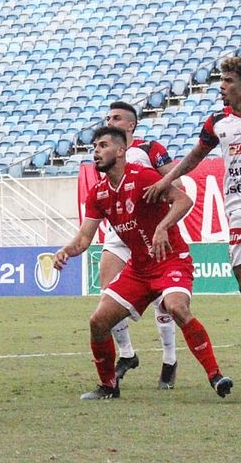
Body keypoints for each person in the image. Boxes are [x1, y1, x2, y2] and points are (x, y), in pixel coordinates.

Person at [54, 126, 232, 400]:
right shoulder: (98, 193)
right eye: (95, 147)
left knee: (176, 307)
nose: (96, 152)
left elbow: (183, 200)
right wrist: (66, 251)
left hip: (171, 260)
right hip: (138, 269)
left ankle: (216, 376)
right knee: (98, 321)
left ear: (121, 150)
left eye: (102, 146)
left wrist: (163, 227)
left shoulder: (142, 177)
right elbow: (83, 240)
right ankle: (109, 387)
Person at [94, 101, 178, 388]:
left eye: (116, 117)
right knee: (107, 292)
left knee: (161, 300)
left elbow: (175, 176)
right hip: (120, 231)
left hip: (151, 231)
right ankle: (127, 354)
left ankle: (169, 360)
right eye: (108, 117)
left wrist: (160, 202)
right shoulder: (104, 152)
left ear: (130, 125)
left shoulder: (149, 149)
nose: (110, 120)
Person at [146, 57, 241, 295]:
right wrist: (166, 180)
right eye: (221, 80)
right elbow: (195, 156)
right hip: (237, 208)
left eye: (228, 81)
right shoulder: (218, 121)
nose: (222, 86)